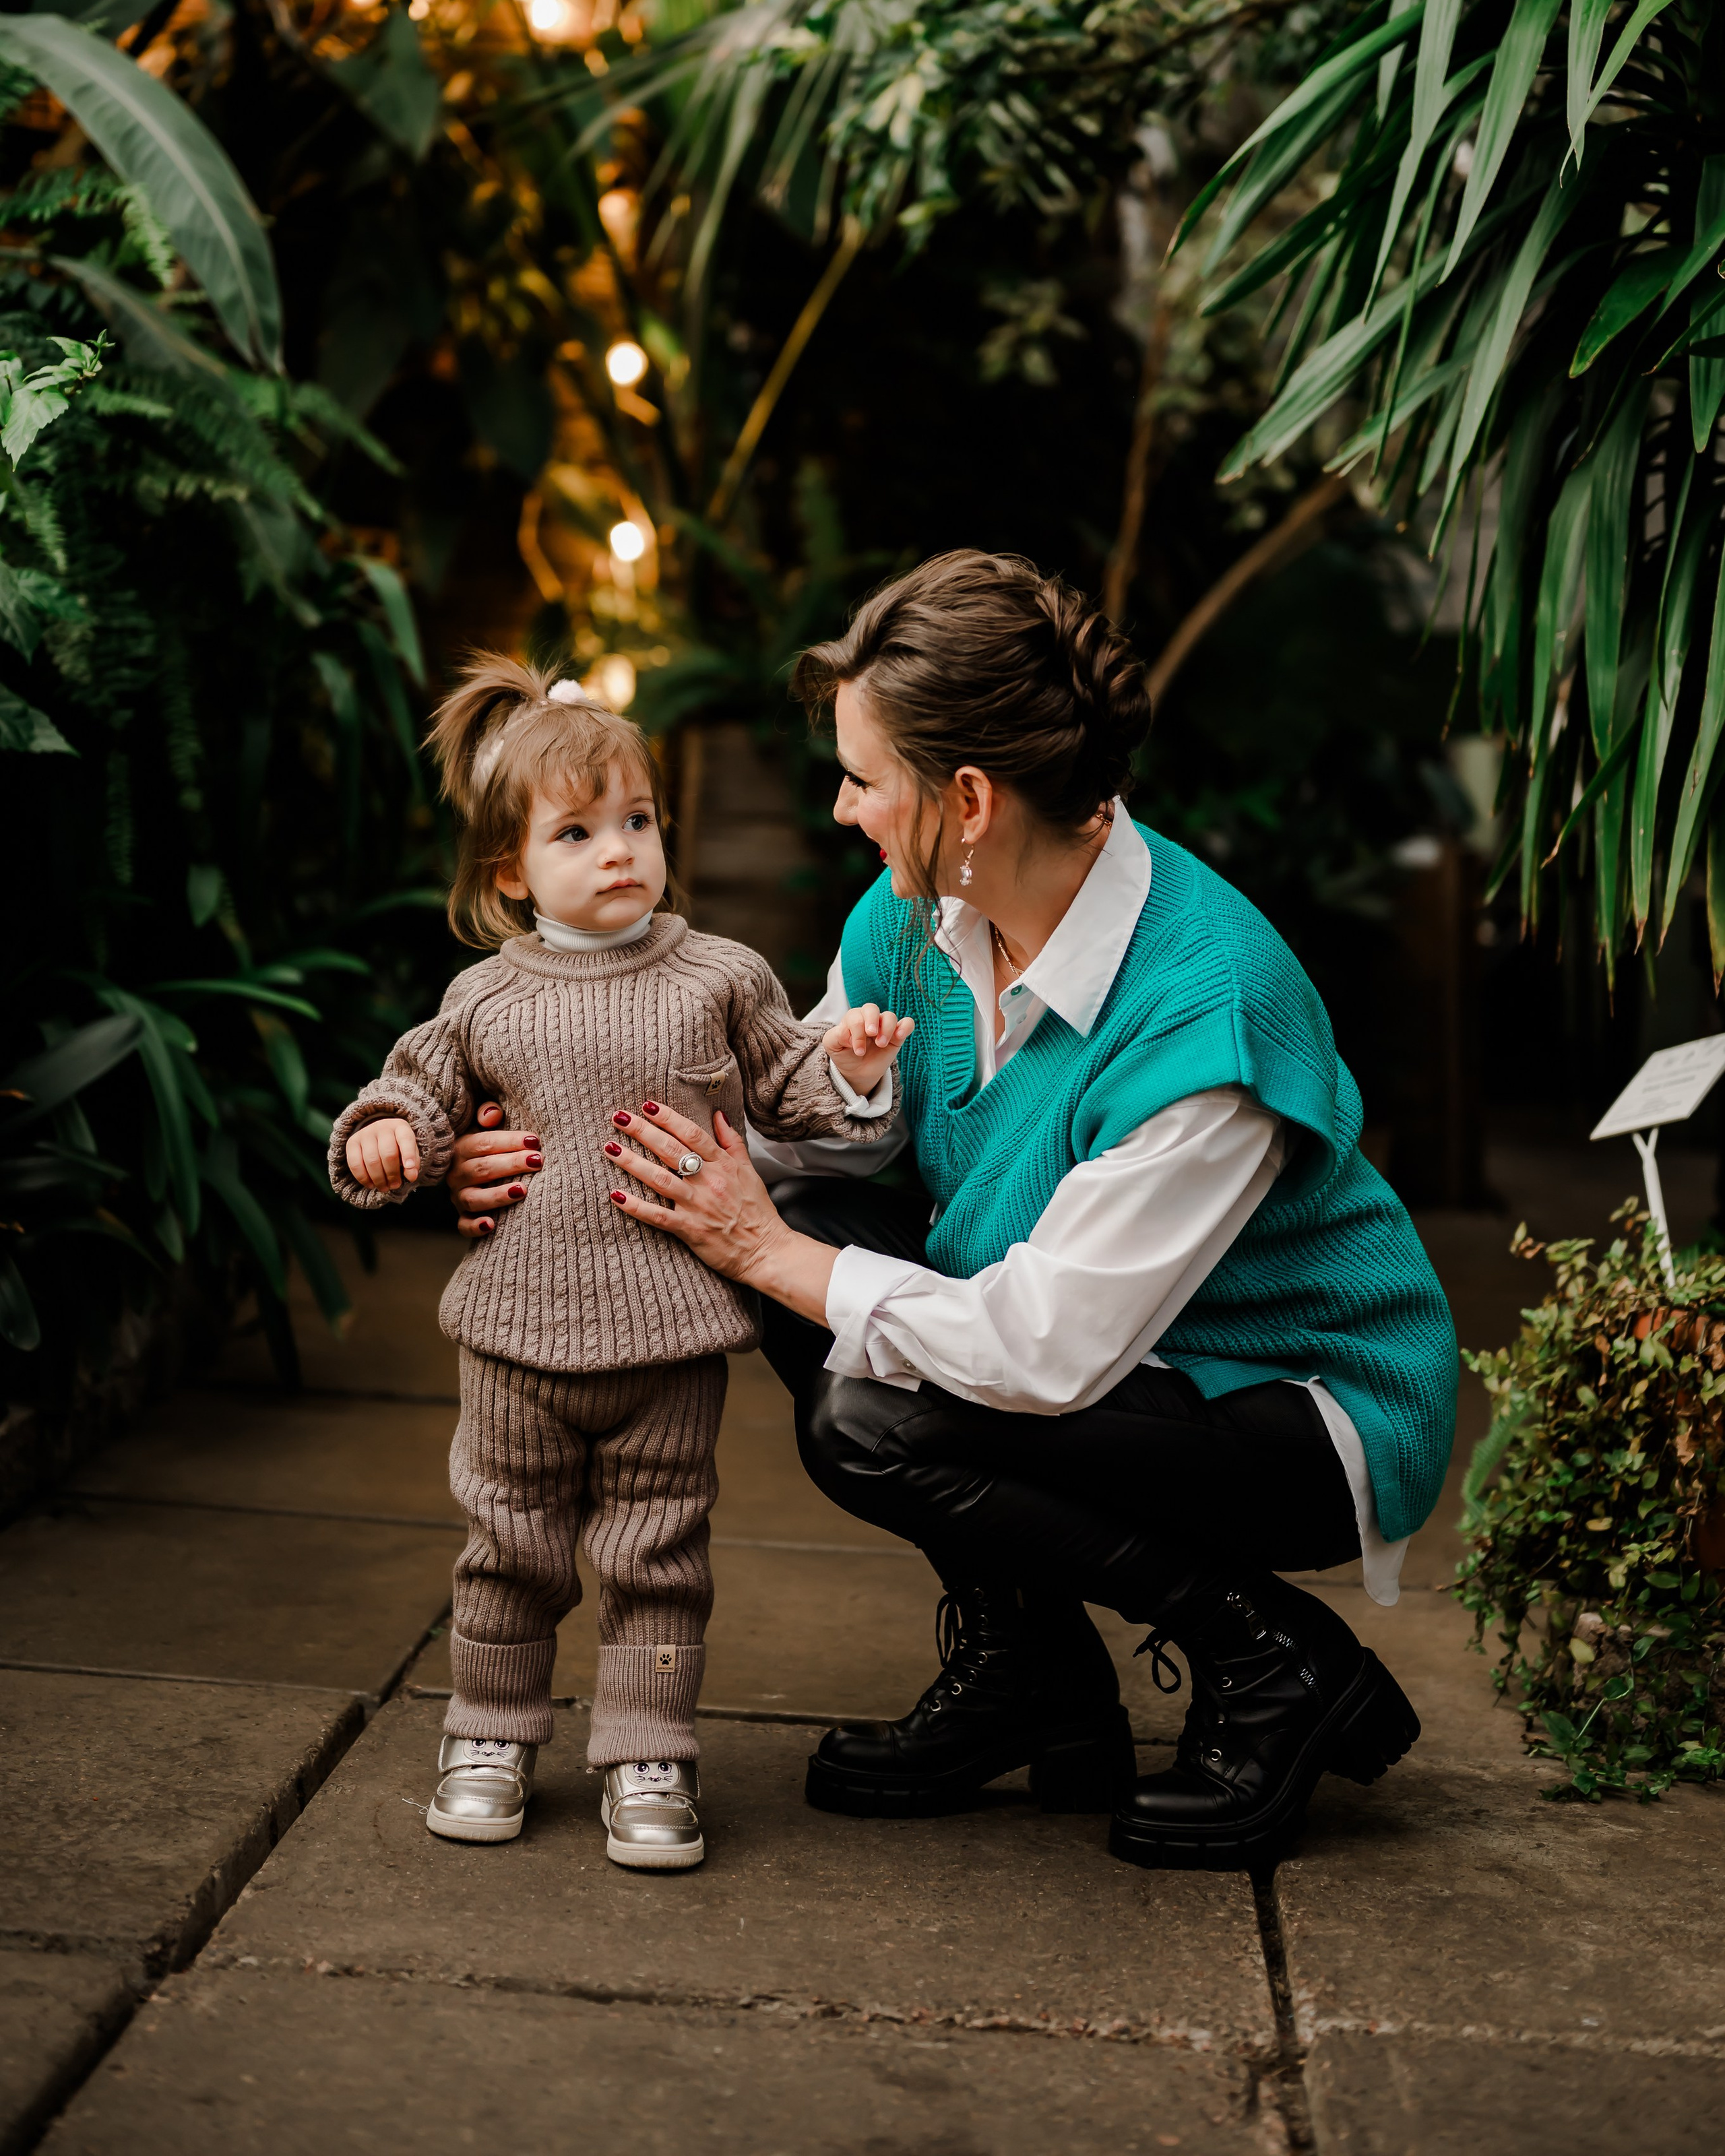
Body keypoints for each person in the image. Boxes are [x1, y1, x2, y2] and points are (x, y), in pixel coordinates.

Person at [445, 554, 1459, 1872]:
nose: (842, 806)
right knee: (789, 1220)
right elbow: (777, 1128)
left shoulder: (1205, 1013)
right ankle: (1033, 1670)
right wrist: (533, 1157)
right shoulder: (917, 919)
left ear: (967, 799)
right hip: (1103, 1348)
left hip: (1295, 1404)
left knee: (869, 1410)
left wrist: (769, 1249)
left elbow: (1042, 1350)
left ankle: (1271, 1656)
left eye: (864, 779)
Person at [330, 654, 908, 1871]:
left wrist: (850, 1067)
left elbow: (787, 1088)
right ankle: (489, 1733)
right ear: (511, 871)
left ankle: (650, 1751)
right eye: (578, 833)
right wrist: (390, 1137)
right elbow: (418, 1091)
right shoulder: (483, 997)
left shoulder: (720, 977)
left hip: (671, 1340)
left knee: (659, 1556)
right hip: (516, 1339)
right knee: (508, 1547)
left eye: (637, 822)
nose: (618, 853)